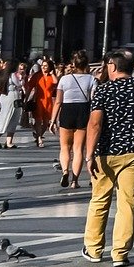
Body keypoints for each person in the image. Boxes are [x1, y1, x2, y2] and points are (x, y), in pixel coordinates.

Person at [82, 49, 134, 266]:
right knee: (128, 203)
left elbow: (95, 123)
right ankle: (120, 253)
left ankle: (94, 249)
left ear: (113, 66)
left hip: (105, 153)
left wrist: (88, 155)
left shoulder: (103, 90)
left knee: (99, 200)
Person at [55, 50, 97, 187]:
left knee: (64, 147)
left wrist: (52, 119)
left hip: (67, 110)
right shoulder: (91, 79)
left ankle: (65, 171)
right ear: (86, 64)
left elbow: (58, 101)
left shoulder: (64, 79)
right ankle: (75, 181)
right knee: (78, 148)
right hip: (83, 110)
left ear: (74, 64)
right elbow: (94, 99)